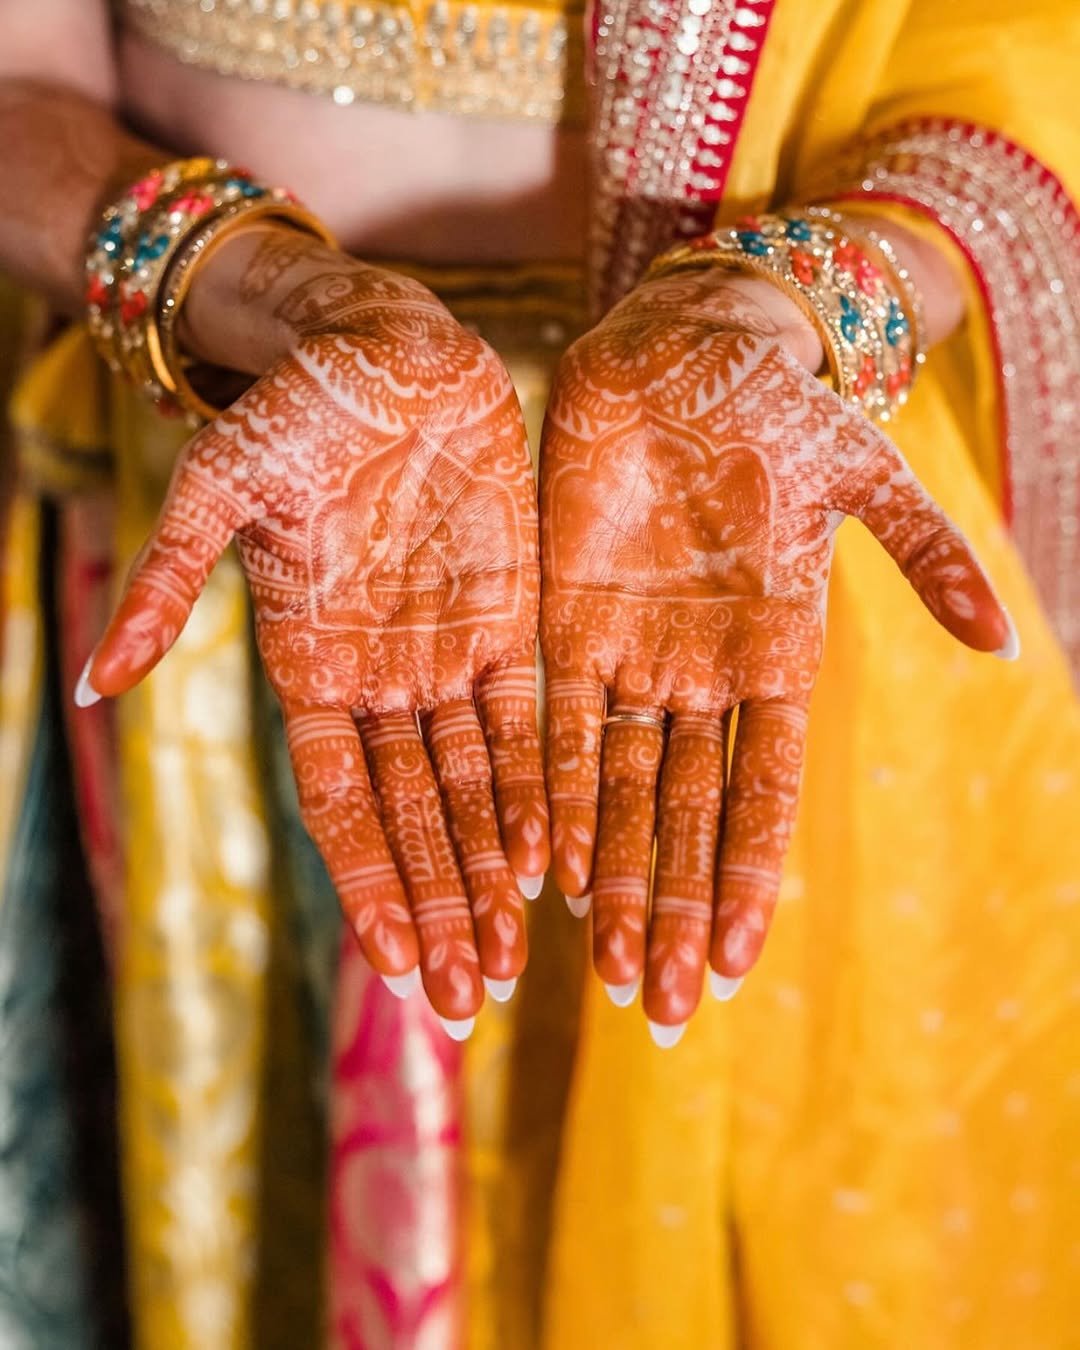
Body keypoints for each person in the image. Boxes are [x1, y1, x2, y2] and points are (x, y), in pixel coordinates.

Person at [0, 0, 1077, 1346]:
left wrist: (787, 303)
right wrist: (250, 289)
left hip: (739, 528)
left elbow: (1026, 61)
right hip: (278, 517)